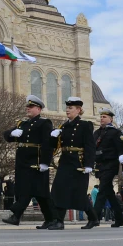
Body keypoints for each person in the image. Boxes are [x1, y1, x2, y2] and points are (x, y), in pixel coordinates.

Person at [1, 95, 56, 229]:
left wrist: (45, 162)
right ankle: (51, 219)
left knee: (29, 190)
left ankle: (15, 215)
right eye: (27, 106)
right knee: (41, 194)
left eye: (30, 107)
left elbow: (47, 144)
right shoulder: (23, 124)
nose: (28, 109)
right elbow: (6, 135)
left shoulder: (45, 123)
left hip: (35, 163)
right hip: (22, 162)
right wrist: (11, 134)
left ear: (38, 108)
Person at [48, 97, 98, 230]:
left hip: (78, 161)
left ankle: (93, 218)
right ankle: (59, 221)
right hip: (65, 161)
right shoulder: (63, 126)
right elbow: (55, 146)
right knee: (58, 190)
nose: (67, 110)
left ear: (79, 110)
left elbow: (90, 146)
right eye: (67, 108)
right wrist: (53, 136)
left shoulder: (85, 125)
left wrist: (89, 164)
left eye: (71, 108)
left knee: (79, 193)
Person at [92, 108, 123, 227]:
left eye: (105, 117)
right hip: (100, 165)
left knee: (102, 190)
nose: (102, 119)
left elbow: (120, 148)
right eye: (101, 117)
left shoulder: (115, 132)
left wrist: (121, 157)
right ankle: (119, 218)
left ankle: (94, 218)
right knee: (109, 192)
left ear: (111, 119)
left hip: (110, 164)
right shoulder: (97, 133)